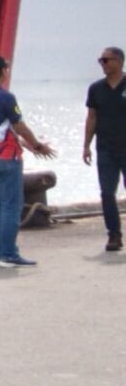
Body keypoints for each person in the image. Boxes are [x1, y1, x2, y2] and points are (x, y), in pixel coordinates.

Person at [0, 53, 55, 268]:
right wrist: (36, 145)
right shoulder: (6, 97)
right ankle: (9, 253)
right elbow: (19, 125)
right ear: (2, 71)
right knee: (11, 206)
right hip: (6, 157)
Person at [86, 46, 126, 253]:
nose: (102, 64)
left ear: (119, 61)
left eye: (106, 60)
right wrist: (86, 145)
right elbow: (92, 117)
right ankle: (114, 234)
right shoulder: (96, 88)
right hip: (105, 149)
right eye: (100, 60)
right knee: (107, 192)